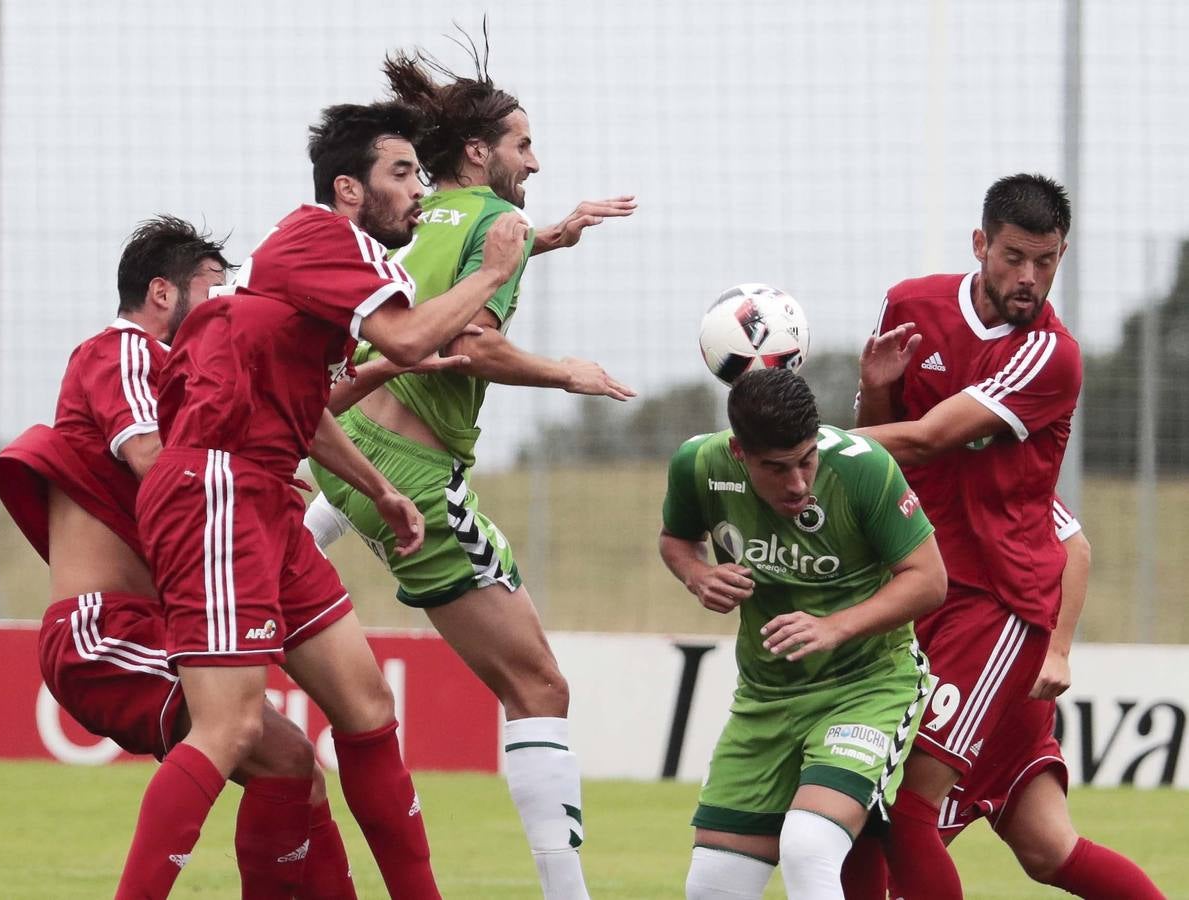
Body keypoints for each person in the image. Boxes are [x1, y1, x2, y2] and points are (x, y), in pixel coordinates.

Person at [118, 101, 530, 900]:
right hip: (214, 488)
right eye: (401, 173)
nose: (418, 191)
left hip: (262, 493)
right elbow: (410, 343)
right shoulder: (323, 238)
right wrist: (491, 271)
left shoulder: (330, 264)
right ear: (348, 189)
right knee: (231, 726)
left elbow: (301, 408)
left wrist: (378, 487)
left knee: (368, 706)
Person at [306, 46, 635, 899]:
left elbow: (442, 283)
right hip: (415, 473)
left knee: (522, 676)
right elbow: (471, 343)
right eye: (524, 144)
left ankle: (290, 539)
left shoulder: (418, 215)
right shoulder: (499, 225)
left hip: (343, 442)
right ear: (481, 153)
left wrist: (545, 238)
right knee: (539, 685)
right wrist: (567, 370)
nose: (536, 160)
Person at [0, 216, 357, 898]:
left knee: (291, 765)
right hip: (101, 630)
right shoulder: (123, 350)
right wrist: (241, 482)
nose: (227, 304)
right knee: (252, 738)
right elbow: (151, 458)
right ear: (162, 293)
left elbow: (291, 412)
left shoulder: (189, 375)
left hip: (150, 624)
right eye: (214, 288)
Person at [846, 173, 1162, 898]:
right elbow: (880, 442)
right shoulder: (912, 305)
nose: (1029, 278)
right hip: (914, 597)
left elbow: (924, 443)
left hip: (993, 613)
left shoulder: (1049, 355)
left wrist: (801, 439)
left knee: (900, 812)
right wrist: (873, 391)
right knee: (1047, 848)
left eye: (1045, 261)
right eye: (1014, 257)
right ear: (979, 243)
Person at [659, 368, 947, 900]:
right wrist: (698, 576)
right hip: (766, 700)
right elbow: (676, 540)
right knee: (711, 887)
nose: (798, 483)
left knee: (809, 847)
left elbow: (930, 580)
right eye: (777, 468)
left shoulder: (864, 470)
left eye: (806, 460)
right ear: (740, 454)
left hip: (869, 687)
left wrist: (834, 627)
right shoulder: (698, 464)